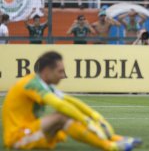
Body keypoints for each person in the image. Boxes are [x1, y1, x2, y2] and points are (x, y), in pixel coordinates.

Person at [2, 51, 141, 150]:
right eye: (60, 71)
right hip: (17, 139)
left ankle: (113, 139)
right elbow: (59, 104)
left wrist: (95, 116)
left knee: (66, 115)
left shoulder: (43, 83)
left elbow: (69, 100)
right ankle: (110, 147)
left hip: (30, 132)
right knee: (61, 116)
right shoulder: (31, 83)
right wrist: (87, 121)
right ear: (46, 71)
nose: (63, 76)